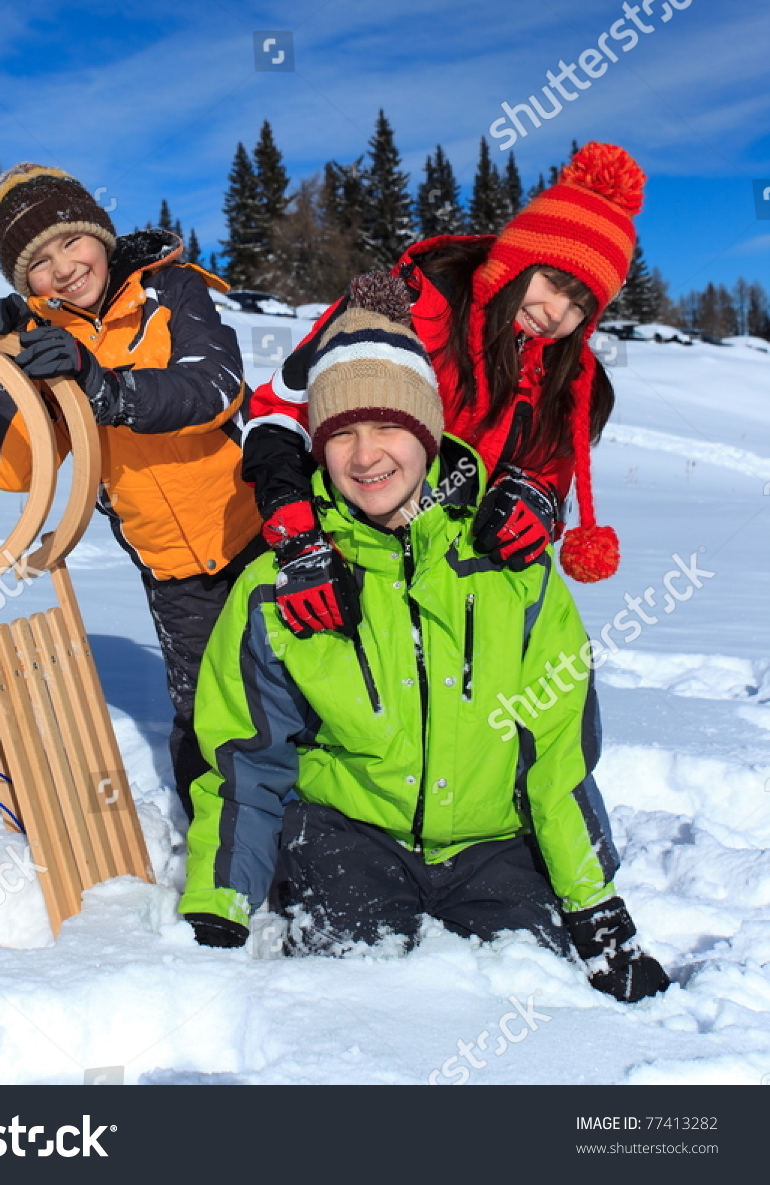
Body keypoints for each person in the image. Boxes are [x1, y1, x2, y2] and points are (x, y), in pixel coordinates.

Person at [180, 273, 669, 1003]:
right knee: (357, 1003)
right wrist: (222, 899)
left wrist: (593, 907)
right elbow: (246, 756)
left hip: (493, 846)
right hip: (350, 837)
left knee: (526, 998)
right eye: (339, 432)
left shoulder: (515, 572)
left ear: (428, 432)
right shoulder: (277, 588)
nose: (365, 456)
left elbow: (557, 755)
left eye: (388, 428)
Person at [242, 141, 645, 641]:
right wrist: (297, 536)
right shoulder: (406, 309)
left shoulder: (565, 378)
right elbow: (278, 415)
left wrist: (538, 497)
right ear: (521, 257)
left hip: (457, 594)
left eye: (582, 305)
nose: (557, 314)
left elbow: (547, 468)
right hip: (349, 559)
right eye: (554, 283)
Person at [0, 163, 263, 811]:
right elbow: (12, 471)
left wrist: (106, 389)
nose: (63, 267)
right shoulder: (46, 344)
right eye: (38, 261)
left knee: (292, 692)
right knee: (210, 716)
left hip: (256, 533)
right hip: (171, 570)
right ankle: (227, 859)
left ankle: (332, 842)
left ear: (99, 232)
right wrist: (2, 368)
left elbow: (214, 388)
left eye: (71, 241)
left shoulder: (172, 290)